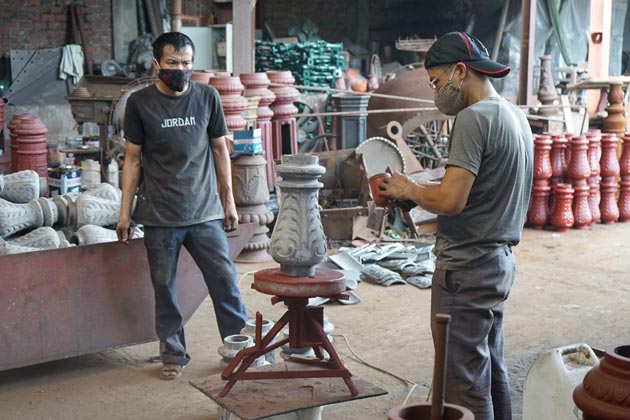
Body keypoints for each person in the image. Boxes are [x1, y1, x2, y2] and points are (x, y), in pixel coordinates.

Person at [379, 32, 533, 420]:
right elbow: (467, 187)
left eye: (436, 82)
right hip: (497, 263)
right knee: (490, 369)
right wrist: (413, 191)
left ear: (461, 71)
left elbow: (451, 201)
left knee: (462, 385)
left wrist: (411, 187)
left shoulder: (472, 118)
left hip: (466, 270)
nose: (435, 93)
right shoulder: (514, 115)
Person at [116, 32, 247, 380]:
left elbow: (221, 150)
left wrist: (228, 202)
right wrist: (124, 213)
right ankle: (173, 353)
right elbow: (132, 160)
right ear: (157, 64)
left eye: (187, 63)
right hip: (159, 215)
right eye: (172, 64)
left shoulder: (207, 97)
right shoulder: (140, 103)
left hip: (205, 212)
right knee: (165, 286)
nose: (181, 70)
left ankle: (239, 349)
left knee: (225, 282)